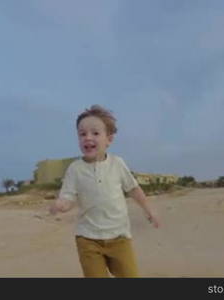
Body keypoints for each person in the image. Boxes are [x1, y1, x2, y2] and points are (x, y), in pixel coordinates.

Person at [49, 104, 160, 278]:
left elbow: (133, 189)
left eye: (95, 133)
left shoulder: (117, 163)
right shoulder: (75, 169)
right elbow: (68, 196)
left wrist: (149, 210)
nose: (87, 138)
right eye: (82, 134)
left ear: (109, 139)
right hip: (88, 239)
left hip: (119, 237)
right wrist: (61, 205)